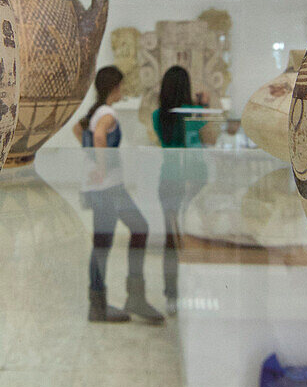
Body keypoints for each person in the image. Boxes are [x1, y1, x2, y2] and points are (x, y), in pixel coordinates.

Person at [75, 66, 164, 325]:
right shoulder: (107, 113)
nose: (122, 91)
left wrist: (91, 158)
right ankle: (121, 300)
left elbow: (78, 131)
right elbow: (100, 136)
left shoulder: (95, 111)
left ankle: (101, 305)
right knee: (137, 229)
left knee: (104, 243)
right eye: (121, 86)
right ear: (114, 87)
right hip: (108, 189)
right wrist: (101, 168)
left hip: (104, 189)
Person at [151, 65, 214, 314]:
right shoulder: (194, 114)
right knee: (194, 237)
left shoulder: (158, 116)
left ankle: (171, 296)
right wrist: (205, 103)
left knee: (170, 239)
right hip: (195, 180)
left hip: (168, 179)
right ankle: (194, 290)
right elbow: (207, 130)